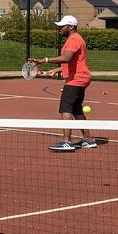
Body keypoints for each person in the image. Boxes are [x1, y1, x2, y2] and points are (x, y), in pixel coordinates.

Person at [34, 15, 95, 151]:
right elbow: (74, 62)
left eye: (62, 26)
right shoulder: (75, 39)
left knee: (65, 109)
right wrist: (56, 70)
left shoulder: (73, 39)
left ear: (71, 27)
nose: (59, 29)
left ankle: (67, 141)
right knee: (77, 109)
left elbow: (67, 58)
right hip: (80, 78)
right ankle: (88, 139)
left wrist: (44, 60)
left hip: (76, 80)